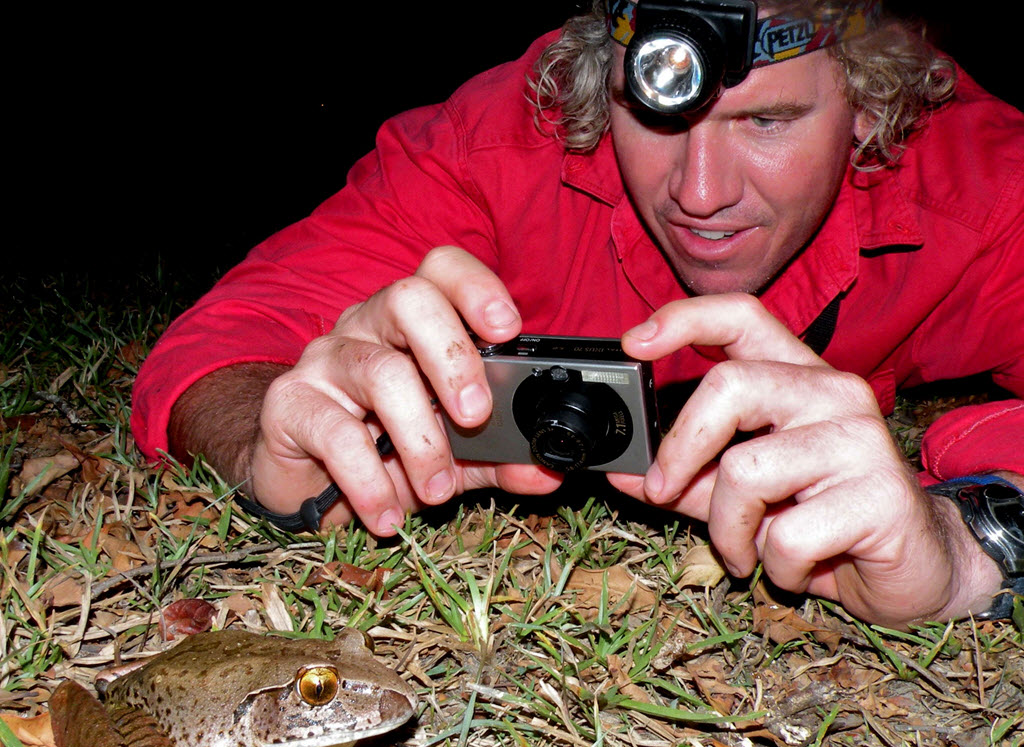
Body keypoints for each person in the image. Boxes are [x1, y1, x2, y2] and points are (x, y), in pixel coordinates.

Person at [132, 0, 1024, 630]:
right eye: (657, 117)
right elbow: (224, 341)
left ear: (872, 100)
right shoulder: (497, 146)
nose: (700, 195)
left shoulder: (978, 187)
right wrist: (269, 443)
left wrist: (967, 537)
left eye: (768, 122)